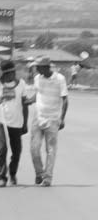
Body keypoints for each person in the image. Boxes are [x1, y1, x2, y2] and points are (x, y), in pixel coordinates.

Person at [0, 60, 34, 187]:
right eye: (8, 73)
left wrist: (25, 123)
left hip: (16, 123)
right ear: (3, 74)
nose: (12, 75)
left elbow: (24, 104)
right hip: (0, 121)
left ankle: (12, 173)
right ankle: (2, 177)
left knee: (17, 151)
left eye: (13, 72)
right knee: (2, 150)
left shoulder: (21, 84)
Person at [29, 56, 68, 186]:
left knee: (50, 150)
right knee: (34, 149)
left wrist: (62, 119)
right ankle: (39, 172)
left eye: (38, 67)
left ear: (45, 67)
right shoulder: (37, 79)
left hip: (52, 119)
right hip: (38, 117)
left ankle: (47, 177)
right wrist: (28, 100)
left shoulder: (59, 79)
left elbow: (65, 99)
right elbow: (38, 94)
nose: (36, 69)